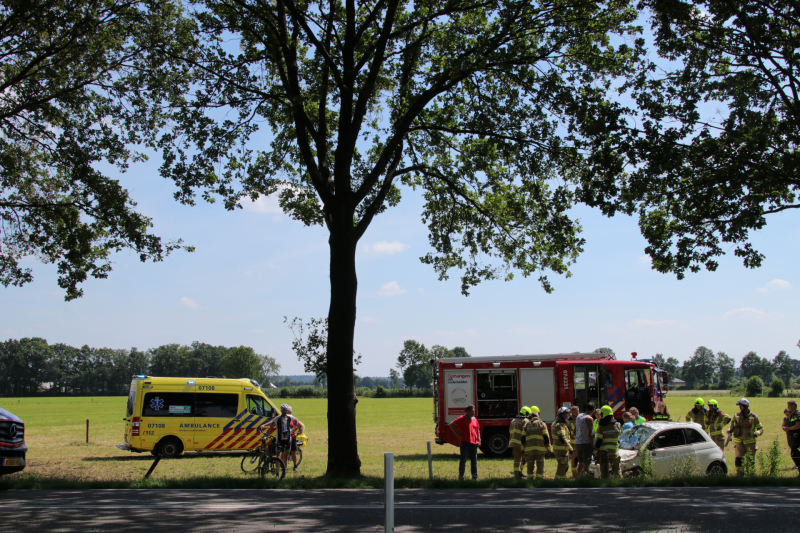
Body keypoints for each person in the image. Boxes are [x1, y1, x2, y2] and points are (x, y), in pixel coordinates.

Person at [729, 398, 763, 476]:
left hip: (750, 442)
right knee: (738, 460)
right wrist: (730, 431)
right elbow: (732, 427)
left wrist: (757, 433)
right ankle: (739, 475)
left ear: (746, 406)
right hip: (739, 442)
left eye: (741, 406)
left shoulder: (754, 417)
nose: (740, 407)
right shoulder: (736, 416)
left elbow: (761, 428)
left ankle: (751, 475)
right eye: (739, 406)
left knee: (750, 460)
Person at [449, 404, 481, 480]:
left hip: (474, 443)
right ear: (467, 411)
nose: (474, 413)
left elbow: (478, 429)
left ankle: (474, 476)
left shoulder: (474, 419)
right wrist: (457, 434)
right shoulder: (461, 418)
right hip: (465, 443)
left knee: (474, 461)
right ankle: (461, 476)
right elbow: (451, 425)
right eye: (472, 411)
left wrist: (479, 440)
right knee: (463, 460)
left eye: (474, 411)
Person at [260, 403, 296, 471]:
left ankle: (284, 471)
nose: (285, 412)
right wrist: (266, 436)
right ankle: (277, 472)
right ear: (281, 410)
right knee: (278, 456)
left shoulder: (290, 417)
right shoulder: (277, 418)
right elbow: (270, 427)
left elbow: (296, 421)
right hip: (279, 440)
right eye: (283, 410)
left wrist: (293, 428)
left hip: (287, 439)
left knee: (286, 456)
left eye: (286, 410)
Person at [523, 405, 552, 479]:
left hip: (529, 450)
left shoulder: (527, 425)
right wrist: (549, 449)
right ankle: (539, 479)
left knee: (530, 465)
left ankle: (530, 479)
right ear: (538, 416)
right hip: (540, 450)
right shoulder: (542, 424)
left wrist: (522, 449)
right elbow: (546, 438)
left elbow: (523, 438)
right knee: (540, 465)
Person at [594, 405, 622, 478]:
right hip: (615, 452)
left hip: (604, 453)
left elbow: (599, 440)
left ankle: (605, 485)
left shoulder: (601, 426)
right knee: (617, 470)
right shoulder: (618, 424)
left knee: (604, 471)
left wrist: (594, 452)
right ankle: (620, 484)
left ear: (603, 414)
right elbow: (620, 434)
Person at [574, 402, 595, 477]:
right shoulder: (589, 419)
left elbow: (574, 431)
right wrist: (592, 445)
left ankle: (577, 478)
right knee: (587, 463)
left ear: (586, 408)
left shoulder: (579, 416)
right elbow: (589, 435)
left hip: (578, 442)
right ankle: (586, 479)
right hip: (586, 443)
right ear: (594, 410)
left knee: (580, 463)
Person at [552, 407, 573, 480]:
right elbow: (562, 438)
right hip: (561, 449)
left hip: (559, 449)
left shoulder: (556, 423)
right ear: (561, 415)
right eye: (565, 414)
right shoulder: (560, 425)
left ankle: (563, 480)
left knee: (565, 466)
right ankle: (558, 481)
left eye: (568, 414)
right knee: (562, 466)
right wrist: (570, 449)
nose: (567, 416)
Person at [509, 406, 530, 479]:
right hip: (522, 444)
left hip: (514, 443)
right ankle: (531, 475)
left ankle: (517, 475)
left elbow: (510, 432)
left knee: (517, 460)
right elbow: (526, 433)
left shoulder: (513, 421)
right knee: (529, 460)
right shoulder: (525, 421)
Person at [286, 405, 306, 471]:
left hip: (292, 437)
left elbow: (301, 426)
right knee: (285, 453)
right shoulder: (283, 418)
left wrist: (297, 434)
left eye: (288, 411)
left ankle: (295, 466)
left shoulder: (293, 419)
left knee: (293, 452)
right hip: (285, 437)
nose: (287, 412)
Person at [782, 400, 800, 474]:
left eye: (789, 405)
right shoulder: (793, 415)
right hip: (795, 437)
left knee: (794, 454)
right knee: (795, 454)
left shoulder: (797, 414)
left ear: (794, 406)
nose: (788, 407)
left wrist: (788, 428)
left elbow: (798, 426)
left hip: (798, 437)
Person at [568, 405, 579, 477]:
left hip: (579, 441)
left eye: (578, 411)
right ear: (572, 412)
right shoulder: (568, 420)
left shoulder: (579, 418)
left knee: (579, 458)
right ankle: (574, 474)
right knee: (574, 459)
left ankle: (579, 473)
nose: (577, 413)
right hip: (572, 442)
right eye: (576, 412)